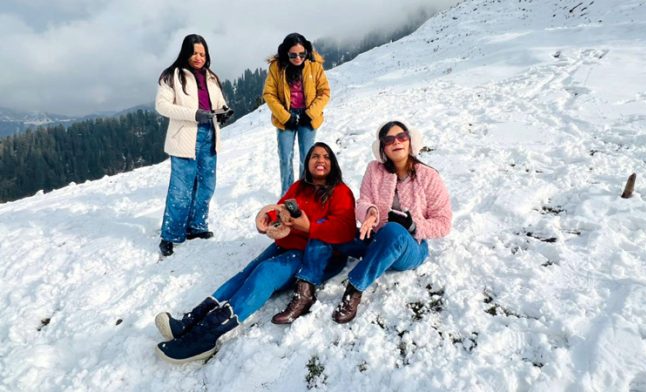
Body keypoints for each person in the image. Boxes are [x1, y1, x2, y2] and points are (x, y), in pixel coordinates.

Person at [154, 142, 356, 363]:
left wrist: (309, 227)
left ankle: (207, 336)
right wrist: (266, 220)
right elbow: (278, 211)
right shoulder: (299, 187)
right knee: (245, 273)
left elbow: (345, 230)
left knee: (265, 272)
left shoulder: (341, 192)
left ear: (333, 163)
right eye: (315, 156)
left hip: (315, 254)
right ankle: (191, 320)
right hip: (287, 243)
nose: (320, 160)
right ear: (307, 162)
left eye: (326, 157)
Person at [273, 121, 452, 325]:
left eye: (402, 137)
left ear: (410, 141)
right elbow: (363, 201)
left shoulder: (428, 176)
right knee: (325, 226)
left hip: (412, 246)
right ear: (383, 147)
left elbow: (444, 222)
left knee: (394, 230)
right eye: (389, 139)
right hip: (375, 236)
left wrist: (413, 226)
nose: (396, 142)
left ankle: (354, 289)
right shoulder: (374, 169)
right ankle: (305, 290)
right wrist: (371, 212)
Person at [155, 34, 233, 257]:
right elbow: (162, 106)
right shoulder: (172, 76)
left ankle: (196, 227)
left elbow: (218, 103)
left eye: (203, 53)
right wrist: (194, 115)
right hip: (185, 138)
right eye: (195, 53)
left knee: (207, 185)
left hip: (209, 135)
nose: (199, 57)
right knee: (181, 189)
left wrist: (224, 111)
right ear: (186, 53)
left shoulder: (211, 77)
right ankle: (170, 235)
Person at [263, 33, 330, 195]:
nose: (298, 58)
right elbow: (269, 94)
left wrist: (310, 113)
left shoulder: (314, 65)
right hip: (285, 116)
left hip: (308, 116)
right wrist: (285, 117)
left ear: (306, 51)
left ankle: (304, 191)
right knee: (285, 157)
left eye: (302, 54)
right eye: (293, 55)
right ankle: (287, 192)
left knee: (307, 157)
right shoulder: (276, 67)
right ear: (286, 53)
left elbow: (324, 92)